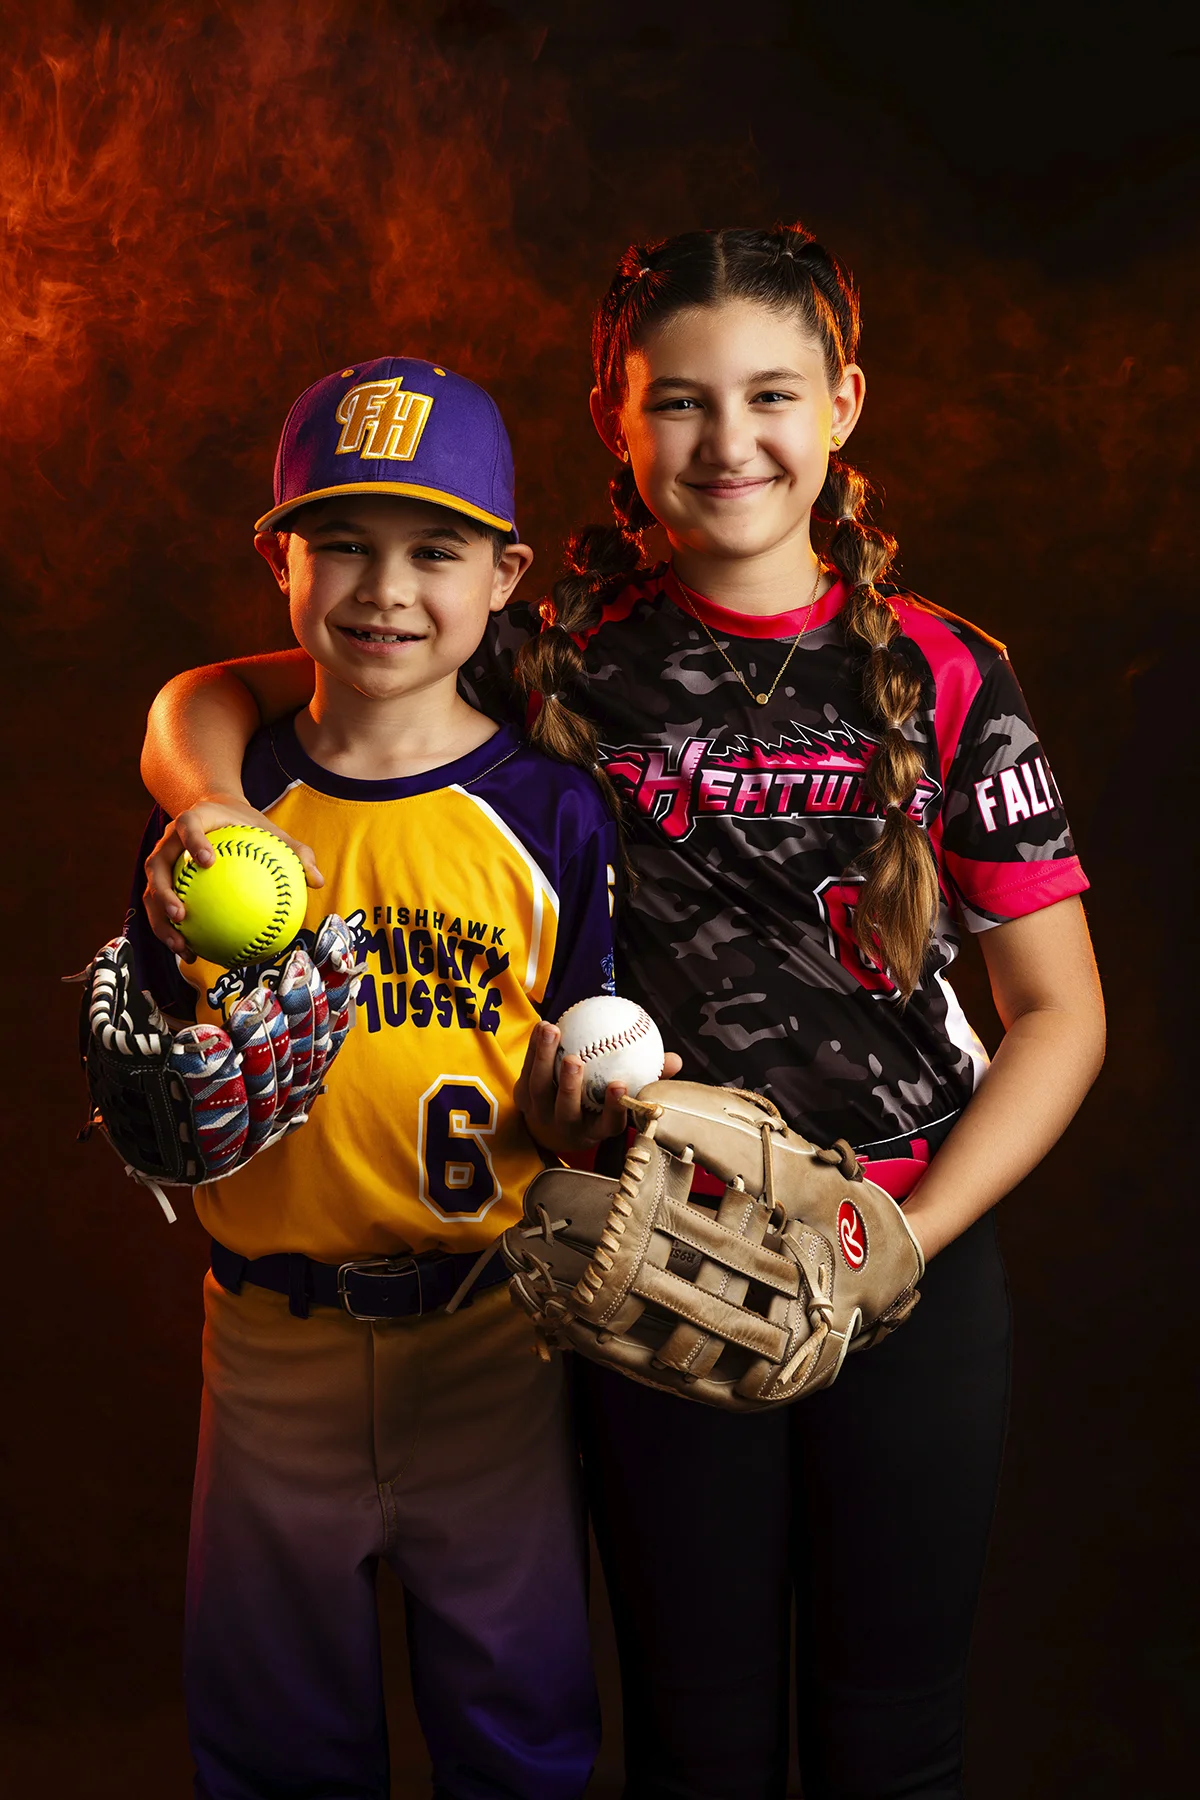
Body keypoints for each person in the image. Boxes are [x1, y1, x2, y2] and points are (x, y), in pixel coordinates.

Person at [139, 234, 1106, 1800]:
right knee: (697, 1737)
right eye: (683, 404)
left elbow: (1061, 1011)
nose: (731, 444)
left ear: (844, 405)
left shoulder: (942, 671)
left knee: (892, 1740)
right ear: (616, 415)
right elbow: (218, 698)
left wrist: (909, 1240)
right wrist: (200, 808)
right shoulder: (546, 652)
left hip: (909, 1254)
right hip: (656, 1256)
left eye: (775, 395)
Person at [129, 356, 633, 1800]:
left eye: (434, 548)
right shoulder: (230, 821)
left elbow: (599, 1058)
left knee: (520, 1727)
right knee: (275, 1736)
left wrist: (590, 1118)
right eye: (339, 541)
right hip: (270, 1343)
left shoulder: (549, 810)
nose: (383, 587)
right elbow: (165, 1074)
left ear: (504, 573)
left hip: (492, 1343)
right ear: (278, 561)